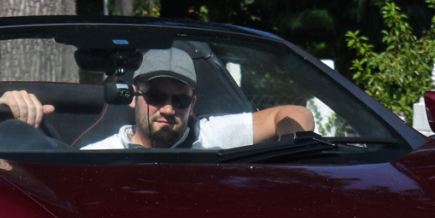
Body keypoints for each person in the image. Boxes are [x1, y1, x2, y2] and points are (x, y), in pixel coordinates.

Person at [81, 48, 315, 150]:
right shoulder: (97, 157)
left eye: (180, 100)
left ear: (192, 103)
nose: (168, 109)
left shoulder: (210, 135)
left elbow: (297, 114)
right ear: (134, 96)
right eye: (156, 96)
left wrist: (292, 150)